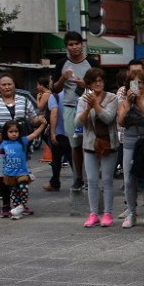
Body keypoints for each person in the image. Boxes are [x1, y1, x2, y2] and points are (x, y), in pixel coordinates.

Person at [0, 73, 38, 217]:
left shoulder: (23, 100)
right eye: (3, 84)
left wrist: (40, 121)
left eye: (9, 84)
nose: (7, 87)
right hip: (0, 144)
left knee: (21, 174)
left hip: (19, 145)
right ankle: (6, 205)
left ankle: (21, 205)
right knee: (3, 176)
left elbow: (33, 118)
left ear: (14, 85)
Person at [52, 31, 99, 191]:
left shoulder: (92, 62)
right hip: (70, 108)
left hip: (90, 107)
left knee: (92, 144)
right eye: (71, 44)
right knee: (75, 145)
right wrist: (63, 78)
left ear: (82, 45)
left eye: (77, 44)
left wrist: (84, 85)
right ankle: (78, 177)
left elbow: (100, 85)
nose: (74, 47)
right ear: (66, 47)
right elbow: (55, 89)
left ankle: (92, 177)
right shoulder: (61, 64)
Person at [76, 68, 120, 228]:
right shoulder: (83, 100)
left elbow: (108, 118)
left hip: (109, 144)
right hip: (90, 144)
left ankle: (108, 213)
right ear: (89, 83)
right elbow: (77, 123)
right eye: (95, 81)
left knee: (107, 180)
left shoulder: (112, 98)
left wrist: (96, 105)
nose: (99, 83)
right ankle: (93, 213)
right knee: (92, 180)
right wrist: (88, 107)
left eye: (101, 80)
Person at [118, 69, 144, 228]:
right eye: (134, 83)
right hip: (129, 142)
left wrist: (140, 103)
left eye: (140, 82)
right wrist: (129, 103)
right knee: (129, 180)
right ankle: (131, 212)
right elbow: (121, 122)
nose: (138, 86)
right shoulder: (123, 102)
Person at [0, 118, 47, 220]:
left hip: (22, 173)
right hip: (9, 174)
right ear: (6, 132)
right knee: (14, 193)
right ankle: (18, 210)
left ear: (19, 132)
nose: (14, 134)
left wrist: (43, 126)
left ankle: (22, 206)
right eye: (11, 132)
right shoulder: (4, 143)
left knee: (24, 188)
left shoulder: (23, 140)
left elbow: (35, 134)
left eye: (16, 131)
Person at [43, 85, 73, 192]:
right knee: (74, 159)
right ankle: (80, 181)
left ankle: (55, 183)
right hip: (73, 134)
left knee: (56, 160)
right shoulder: (77, 96)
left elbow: (54, 114)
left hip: (59, 134)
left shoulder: (55, 97)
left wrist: (52, 132)